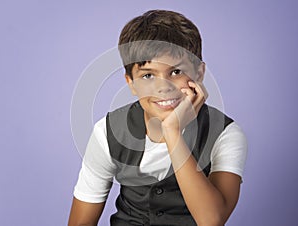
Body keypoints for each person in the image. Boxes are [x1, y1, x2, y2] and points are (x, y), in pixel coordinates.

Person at [68, 9, 247, 226]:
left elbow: (211, 220)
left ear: (199, 74)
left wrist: (172, 132)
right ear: (131, 83)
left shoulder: (225, 134)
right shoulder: (108, 131)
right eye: (148, 75)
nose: (163, 87)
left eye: (176, 72)